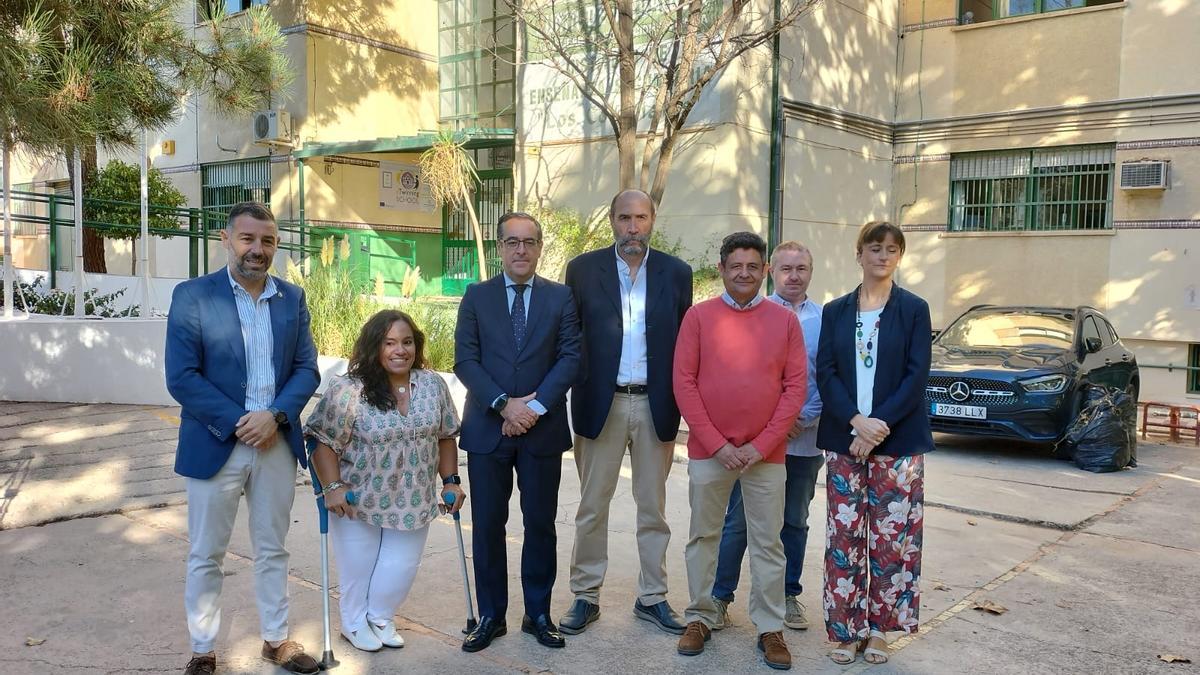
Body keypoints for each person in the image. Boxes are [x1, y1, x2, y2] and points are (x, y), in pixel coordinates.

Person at [165, 202, 321, 675]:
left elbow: (306, 368)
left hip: (275, 443)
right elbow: (182, 377)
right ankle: (203, 649)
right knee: (206, 552)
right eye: (248, 239)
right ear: (226, 239)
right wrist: (240, 421)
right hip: (217, 443)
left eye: (268, 241)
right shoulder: (193, 296)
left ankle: (275, 640)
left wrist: (274, 416)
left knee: (273, 546)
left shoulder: (292, 299)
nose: (258, 249)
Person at [560, 189, 693, 636]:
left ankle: (652, 596)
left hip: (656, 404)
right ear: (611, 221)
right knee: (592, 506)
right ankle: (585, 595)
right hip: (602, 402)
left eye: (640, 218)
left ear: (653, 219)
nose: (632, 227)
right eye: (623, 218)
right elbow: (569, 336)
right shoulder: (581, 270)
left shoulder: (676, 273)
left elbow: (683, 344)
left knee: (652, 508)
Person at [672, 231, 807, 671]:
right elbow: (684, 384)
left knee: (769, 543)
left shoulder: (784, 321)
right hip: (711, 453)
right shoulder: (698, 317)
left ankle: (769, 627)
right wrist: (717, 444)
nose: (744, 273)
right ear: (722, 269)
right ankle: (700, 616)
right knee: (703, 537)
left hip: (765, 456)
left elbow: (795, 387)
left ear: (764, 270)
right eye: (736, 266)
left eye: (753, 266)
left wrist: (761, 444)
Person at [453, 211, 581, 653]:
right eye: (512, 242)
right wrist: (505, 405)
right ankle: (491, 616)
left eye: (529, 242)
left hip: (542, 432)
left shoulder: (561, 298)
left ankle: (538, 613)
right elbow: (465, 360)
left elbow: (570, 357)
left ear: (540, 247)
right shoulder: (476, 296)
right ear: (500, 248)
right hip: (488, 430)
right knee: (488, 525)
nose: (521, 250)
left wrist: (535, 406)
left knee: (540, 525)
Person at [304, 309, 465, 652]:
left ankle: (379, 616)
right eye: (389, 342)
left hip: (414, 497)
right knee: (358, 568)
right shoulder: (349, 389)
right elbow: (322, 440)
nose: (400, 350)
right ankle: (352, 622)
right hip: (358, 497)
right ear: (374, 347)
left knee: (400, 566)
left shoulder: (432, 384)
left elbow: (446, 435)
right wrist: (332, 488)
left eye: (407, 342)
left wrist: (450, 481)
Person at [816, 221, 933, 666]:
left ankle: (882, 631)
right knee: (844, 537)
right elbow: (825, 370)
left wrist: (878, 425)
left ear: (899, 257)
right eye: (874, 248)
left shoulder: (914, 309)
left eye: (891, 249)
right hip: (846, 436)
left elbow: (916, 374)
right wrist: (856, 422)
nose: (882, 256)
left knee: (893, 540)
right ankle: (846, 631)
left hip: (898, 443)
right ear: (859, 254)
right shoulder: (837, 310)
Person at [712, 241, 823, 633]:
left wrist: (803, 417)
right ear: (771, 271)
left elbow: (826, 376)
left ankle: (787, 595)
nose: (794, 276)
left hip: (805, 440)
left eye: (802, 269)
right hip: (757, 445)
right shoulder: (754, 312)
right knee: (739, 522)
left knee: (794, 520)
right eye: (786, 268)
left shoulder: (825, 319)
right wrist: (770, 425)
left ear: (811, 272)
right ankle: (719, 597)